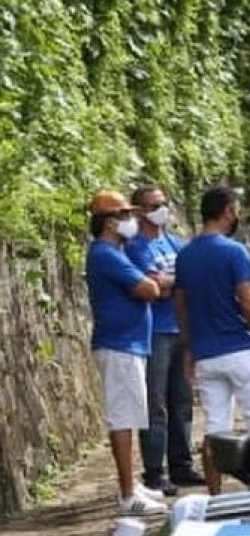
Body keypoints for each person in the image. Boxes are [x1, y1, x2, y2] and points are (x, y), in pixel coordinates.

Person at [175, 186, 250, 496]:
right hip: (240, 350)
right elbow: (248, 301)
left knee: (215, 427)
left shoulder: (185, 255)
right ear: (228, 211)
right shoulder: (235, 252)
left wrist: (189, 348)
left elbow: (181, 305)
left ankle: (216, 497)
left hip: (206, 354)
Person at [85, 190, 166, 515]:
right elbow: (150, 289)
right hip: (119, 346)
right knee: (123, 418)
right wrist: (151, 282)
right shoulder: (106, 254)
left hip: (128, 345)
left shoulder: (115, 252)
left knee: (130, 416)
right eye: (124, 215)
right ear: (108, 222)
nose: (131, 220)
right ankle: (127, 493)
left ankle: (132, 485)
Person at [126, 185, 200, 495]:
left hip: (180, 328)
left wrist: (172, 283)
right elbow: (153, 286)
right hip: (154, 332)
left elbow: (189, 281)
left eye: (165, 203)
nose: (163, 209)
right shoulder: (135, 247)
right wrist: (173, 283)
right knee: (155, 405)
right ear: (140, 211)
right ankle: (155, 471)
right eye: (156, 205)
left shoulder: (175, 243)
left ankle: (181, 465)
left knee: (182, 401)